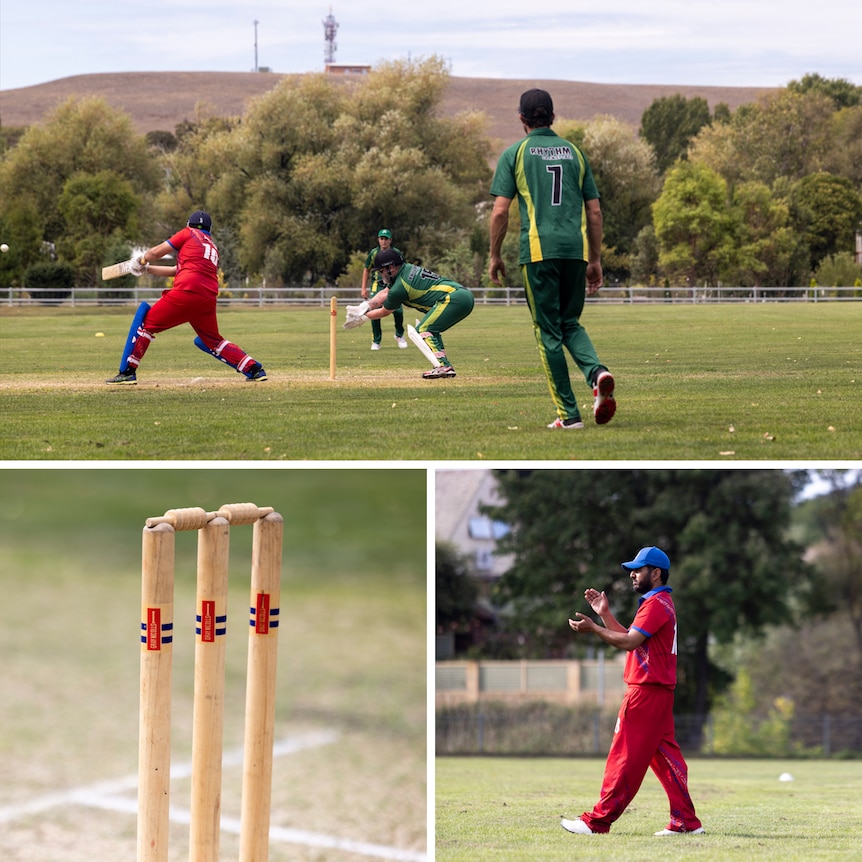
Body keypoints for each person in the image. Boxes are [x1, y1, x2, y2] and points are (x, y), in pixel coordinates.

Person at [488, 88, 615, 430]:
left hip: (539, 252)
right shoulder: (576, 153)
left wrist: (495, 254)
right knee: (569, 323)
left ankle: (568, 415)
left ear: (521, 118)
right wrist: (595, 259)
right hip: (575, 250)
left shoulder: (515, 154)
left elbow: (500, 212)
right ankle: (597, 373)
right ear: (553, 117)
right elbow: (595, 212)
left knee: (548, 333)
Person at [562, 546, 704, 837]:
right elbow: (631, 638)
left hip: (645, 694)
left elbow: (628, 643)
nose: (632, 575)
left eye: (638, 570)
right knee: (667, 761)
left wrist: (594, 629)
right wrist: (604, 614)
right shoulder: (660, 602)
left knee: (623, 757)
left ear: (656, 573)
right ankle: (686, 821)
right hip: (658, 694)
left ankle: (597, 822)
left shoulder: (655, 604)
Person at [105, 211, 267, 384]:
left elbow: (156, 252)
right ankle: (254, 370)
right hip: (207, 298)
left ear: (189, 224)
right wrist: (146, 269)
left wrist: (142, 260)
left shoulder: (188, 233)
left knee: (145, 324)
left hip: (187, 291)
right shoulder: (212, 247)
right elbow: (175, 271)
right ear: (209, 229)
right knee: (212, 341)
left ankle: (127, 372)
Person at [343, 249, 474, 379]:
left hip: (454, 298)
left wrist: (362, 318)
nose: (381, 275)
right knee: (432, 330)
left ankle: (443, 366)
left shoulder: (400, 288)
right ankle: (443, 365)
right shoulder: (407, 269)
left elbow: (385, 311)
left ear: (391, 267)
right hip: (461, 295)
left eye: (381, 271)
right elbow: (385, 292)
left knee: (424, 329)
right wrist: (364, 307)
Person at [361, 228, 407, 351]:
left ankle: (399, 335)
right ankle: (376, 341)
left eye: (386, 239)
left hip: (393, 283)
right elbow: (366, 269)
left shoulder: (396, 252)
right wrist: (363, 288)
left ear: (390, 240)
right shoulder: (373, 253)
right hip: (377, 284)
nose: (384, 241)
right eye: (381, 238)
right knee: (374, 311)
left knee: (398, 311)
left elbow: (403, 268)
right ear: (378, 240)